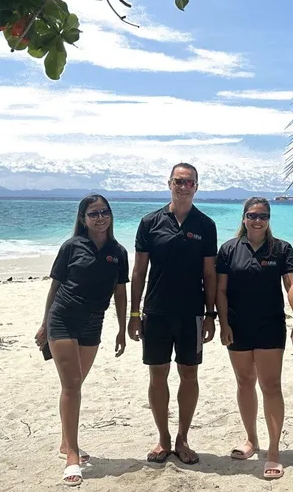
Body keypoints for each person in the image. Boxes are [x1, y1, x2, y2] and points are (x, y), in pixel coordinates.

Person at [34, 194, 129, 487]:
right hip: (63, 318)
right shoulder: (71, 246)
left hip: (93, 323)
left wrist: (122, 328)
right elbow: (56, 286)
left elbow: (120, 292)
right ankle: (72, 456)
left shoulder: (118, 252)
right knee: (72, 385)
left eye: (104, 212)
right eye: (93, 213)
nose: (100, 218)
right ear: (82, 218)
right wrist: (44, 323)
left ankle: (65, 442)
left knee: (76, 384)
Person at [128, 162, 218, 466]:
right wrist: (134, 313)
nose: (183, 186)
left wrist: (210, 314)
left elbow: (210, 273)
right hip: (156, 312)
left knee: (189, 374)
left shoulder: (205, 225)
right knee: (158, 375)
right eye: (178, 181)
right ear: (169, 184)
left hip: (192, 313)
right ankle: (163, 438)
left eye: (189, 182)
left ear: (196, 187)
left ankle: (182, 438)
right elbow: (139, 271)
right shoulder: (150, 222)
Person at [215, 197, 293, 480]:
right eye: (253, 215)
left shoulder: (281, 249)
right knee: (245, 382)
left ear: (269, 219)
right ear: (244, 218)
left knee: (271, 386)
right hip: (237, 326)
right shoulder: (229, 249)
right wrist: (223, 323)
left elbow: (292, 285)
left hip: (270, 325)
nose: (258, 221)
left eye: (263, 216)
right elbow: (221, 290)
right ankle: (251, 439)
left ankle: (274, 450)